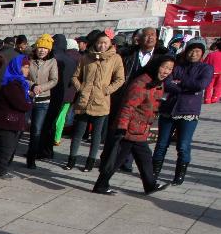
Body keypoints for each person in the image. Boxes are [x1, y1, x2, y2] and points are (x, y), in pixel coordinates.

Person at [93, 55, 175, 195]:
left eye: (170, 69)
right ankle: (101, 185)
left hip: (140, 129)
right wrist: (122, 127)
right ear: (156, 66)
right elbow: (128, 107)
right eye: (164, 67)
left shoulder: (157, 83)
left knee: (144, 157)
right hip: (129, 130)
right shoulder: (141, 83)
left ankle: (150, 185)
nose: (166, 71)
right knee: (118, 159)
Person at [152, 39, 214, 186]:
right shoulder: (177, 67)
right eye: (191, 50)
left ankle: (179, 175)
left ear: (202, 54)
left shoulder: (206, 68)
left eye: (198, 51)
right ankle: (154, 171)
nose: (194, 54)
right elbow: (167, 83)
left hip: (189, 111)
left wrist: (179, 82)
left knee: (183, 145)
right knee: (161, 143)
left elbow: (200, 85)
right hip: (169, 109)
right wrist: (187, 87)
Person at [65, 33, 124, 171]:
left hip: (101, 101)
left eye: (105, 43)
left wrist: (106, 90)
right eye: (99, 43)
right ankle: (71, 160)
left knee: (96, 135)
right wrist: (81, 88)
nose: (102, 45)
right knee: (78, 132)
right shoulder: (86, 57)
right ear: (95, 43)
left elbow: (120, 79)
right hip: (84, 100)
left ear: (110, 44)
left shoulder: (115, 59)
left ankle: (90, 162)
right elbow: (75, 76)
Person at [0, 55, 32, 178]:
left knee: (9, 147)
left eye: (28, 67)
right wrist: (29, 102)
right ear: (17, 68)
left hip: (12, 121)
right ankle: (1, 171)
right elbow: (21, 104)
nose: (28, 70)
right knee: (8, 148)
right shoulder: (12, 84)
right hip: (6, 121)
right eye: (25, 67)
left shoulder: (20, 83)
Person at [42, 34, 80, 154]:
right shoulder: (71, 60)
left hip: (49, 94)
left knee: (45, 123)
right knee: (56, 120)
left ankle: (42, 149)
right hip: (65, 94)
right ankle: (49, 149)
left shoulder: (53, 58)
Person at [25, 34, 58, 169]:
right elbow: (23, 76)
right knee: (21, 127)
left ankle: (31, 158)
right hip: (28, 97)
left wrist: (41, 88)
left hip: (43, 101)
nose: (42, 50)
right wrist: (32, 85)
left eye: (45, 48)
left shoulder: (52, 62)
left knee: (36, 130)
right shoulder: (28, 60)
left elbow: (54, 80)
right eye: (40, 47)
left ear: (49, 50)